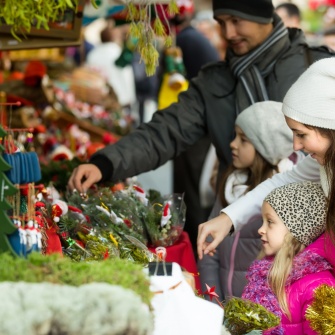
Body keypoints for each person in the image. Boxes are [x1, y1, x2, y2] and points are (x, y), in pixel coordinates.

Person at [68, 0, 334, 248]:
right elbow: (166, 130)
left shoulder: (314, 68)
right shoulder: (214, 80)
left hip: (309, 235)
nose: (228, 33)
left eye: (237, 20)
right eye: (221, 22)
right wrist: (106, 163)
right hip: (235, 217)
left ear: (263, 16)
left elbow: (298, 175)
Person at [197, 57, 335, 265]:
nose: (296, 146)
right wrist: (228, 218)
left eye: (301, 134)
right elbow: (284, 181)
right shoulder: (323, 161)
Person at [198, 100, 297, 301]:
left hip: (257, 314)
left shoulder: (285, 199)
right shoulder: (230, 185)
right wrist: (213, 298)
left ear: (266, 147)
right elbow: (209, 254)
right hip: (222, 306)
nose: (233, 144)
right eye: (235, 136)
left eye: (243, 140)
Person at [242, 181, 335, 334]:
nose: (260, 229)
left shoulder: (319, 287)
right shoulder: (264, 274)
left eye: (270, 222)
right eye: (262, 221)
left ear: (297, 230)